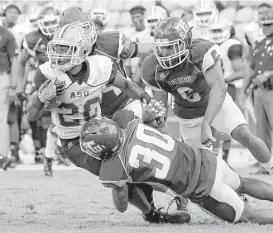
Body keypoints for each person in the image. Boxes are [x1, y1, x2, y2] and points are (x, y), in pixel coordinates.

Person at [26, 21, 187, 224]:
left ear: (83, 50)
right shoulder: (47, 73)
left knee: (139, 161)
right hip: (75, 142)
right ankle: (153, 210)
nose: (58, 53)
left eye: (65, 48)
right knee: (122, 182)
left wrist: (147, 99)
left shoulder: (99, 67)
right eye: (57, 47)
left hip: (103, 128)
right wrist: (40, 98)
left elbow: (127, 84)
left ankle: (170, 198)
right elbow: (30, 115)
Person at [86, 108, 273, 224]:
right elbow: (147, 119)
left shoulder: (116, 165)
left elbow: (121, 206)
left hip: (203, 188)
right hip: (207, 159)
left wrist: (117, 186)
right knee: (243, 183)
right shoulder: (126, 119)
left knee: (250, 216)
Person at [141, 17, 273, 175]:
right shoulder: (151, 67)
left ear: (185, 43)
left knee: (244, 134)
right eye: (161, 48)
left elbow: (220, 88)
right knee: (200, 167)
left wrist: (206, 124)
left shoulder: (202, 52)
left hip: (214, 101)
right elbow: (161, 107)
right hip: (187, 113)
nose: (164, 53)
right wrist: (155, 122)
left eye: (170, 47)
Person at [18, 5, 60, 167]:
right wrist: (20, 86)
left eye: (53, 23)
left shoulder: (66, 34)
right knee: (38, 115)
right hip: (42, 79)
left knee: (60, 119)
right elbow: (22, 62)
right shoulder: (33, 38)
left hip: (65, 79)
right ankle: (43, 150)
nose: (50, 27)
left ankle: (55, 151)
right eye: (46, 23)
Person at [240, 10, 273, 175]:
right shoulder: (259, 44)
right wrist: (243, 89)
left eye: (269, 25)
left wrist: (268, 74)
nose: (266, 28)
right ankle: (266, 165)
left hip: (271, 88)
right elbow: (250, 68)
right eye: (264, 25)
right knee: (261, 129)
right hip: (259, 91)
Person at [208, 21, 246, 163]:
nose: (217, 34)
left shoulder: (231, 45)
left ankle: (223, 159)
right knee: (211, 127)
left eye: (219, 30)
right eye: (214, 31)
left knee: (222, 127)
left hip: (226, 88)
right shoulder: (209, 45)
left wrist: (224, 79)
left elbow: (242, 71)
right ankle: (214, 159)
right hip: (212, 89)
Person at [0, 24, 18, 170]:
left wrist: (13, 86)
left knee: (2, 118)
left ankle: (2, 155)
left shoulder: (7, 34)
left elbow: (15, 60)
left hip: (2, 78)